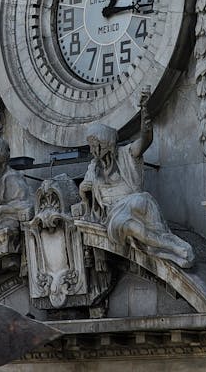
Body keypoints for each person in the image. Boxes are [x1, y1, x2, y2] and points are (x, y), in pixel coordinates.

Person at [74, 100, 194, 269]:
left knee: (142, 200)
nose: (93, 151)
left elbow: (145, 140)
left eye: (96, 146)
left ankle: (169, 243)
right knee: (130, 225)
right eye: (91, 147)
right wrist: (83, 190)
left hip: (131, 202)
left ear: (106, 144)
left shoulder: (126, 155)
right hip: (113, 214)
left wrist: (145, 114)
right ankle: (173, 247)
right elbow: (86, 196)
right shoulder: (93, 168)